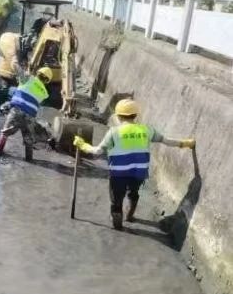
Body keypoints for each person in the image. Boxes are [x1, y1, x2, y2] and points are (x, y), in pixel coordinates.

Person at [73, 99, 196, 230]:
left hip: (119, 174)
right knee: (134, 192)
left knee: (116, 199)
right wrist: (185, 143)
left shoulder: (114, 132)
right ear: (135, 115)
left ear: (118, 116)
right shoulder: (147, 130)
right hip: (139, 172)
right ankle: (130, 215)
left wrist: (83, 145)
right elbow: (166, 141)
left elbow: (98, 151)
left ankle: (118, 224)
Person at [0, 67, 53, 162]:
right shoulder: (45, 93)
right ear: (47, 81)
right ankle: (29, 159)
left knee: (5, 132)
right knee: (28, 139)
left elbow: (17, 70)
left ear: (38, 73)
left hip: (17, 110)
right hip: (30, 116)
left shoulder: (28, 78)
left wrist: (20, 67)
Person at [0, 32, 21, 109]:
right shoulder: (13, 42)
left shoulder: (5, 37)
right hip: (11, 74)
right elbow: (14, 63)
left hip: (2, 73)